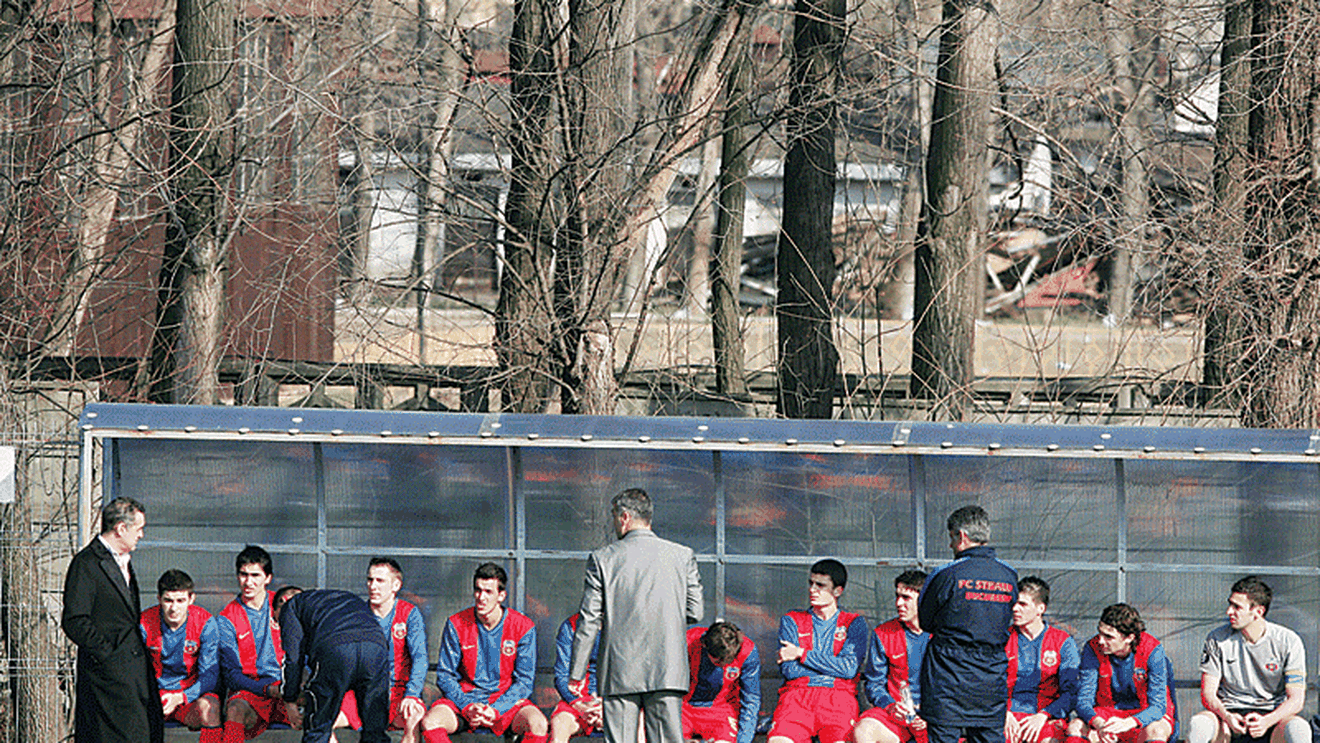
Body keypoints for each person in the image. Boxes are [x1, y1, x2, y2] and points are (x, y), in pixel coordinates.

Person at [570, 488, 704, 743]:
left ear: (624, 518)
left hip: (619, 670)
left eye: (613, 517)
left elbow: (589, 620)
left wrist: (577, 672)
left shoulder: (602, 559)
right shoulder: (682, 555)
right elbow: (695, 611)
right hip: (667, 668)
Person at [61, 496, 165, 743]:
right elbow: (75, 619)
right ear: (121, 528)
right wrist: (108, 655)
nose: (141, 535)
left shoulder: (122, 561)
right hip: (106, 677)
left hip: (132, 673)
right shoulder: (87, 563)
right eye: (138, 528)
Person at [918, 505, 1018, 743]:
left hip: (947, 677)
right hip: (990, 678)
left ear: (961, 536)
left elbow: (925, 621)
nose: (950, 545)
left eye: (952, 538)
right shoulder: (1009, 575)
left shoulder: (945, 574)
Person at [420, 562, 549, 743]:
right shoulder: (456, 623)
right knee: (430, 722)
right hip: (466, 701)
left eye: (488, 592)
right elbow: (445, 676)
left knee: (538, 724)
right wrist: (467, 706)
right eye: (478, 590)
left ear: (501, 595)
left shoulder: (523, 626)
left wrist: (496, 709)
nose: (481, 597)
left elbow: (524, 682)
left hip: (505, 702)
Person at [1186, 577, 1307, 743]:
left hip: (1273, 719)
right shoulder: (1216, 638)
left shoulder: (1289, 641)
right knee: (1199, 724)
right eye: (1230, 604)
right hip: (1227, 718)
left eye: (1237, 607)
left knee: (1299, 729)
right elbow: (1208, 693)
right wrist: (1227, 716)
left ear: (1258, 612)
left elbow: (1296, 700)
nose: (1229, 611)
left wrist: (1266, 721)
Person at [767, 558, 869, 743]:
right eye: (811, 583)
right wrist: (833, 667)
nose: (812, 589)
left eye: (820, 585)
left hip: (838, 698)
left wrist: (801, 653)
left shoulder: (853, 622)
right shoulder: (792, 620)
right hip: (797, 695)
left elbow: (848, 669)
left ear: (838, 591)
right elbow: (790, 670)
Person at [273, 586, 392, 743]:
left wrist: (290, 699)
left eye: (277, 620)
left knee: (318, 727)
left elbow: (293, 659)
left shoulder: (291, 606)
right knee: (375, 730)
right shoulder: (347, 597)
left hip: (336, 649)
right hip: (376, 647)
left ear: (283, 602)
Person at [337, 558, 429, 743]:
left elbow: (420, 658)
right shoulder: (357, 616)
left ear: (396, 585)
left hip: (399, 691)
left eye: (380, 581)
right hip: (364, 692)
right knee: (323, 721)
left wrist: (412, 694)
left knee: (414, 718)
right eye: (370, 580)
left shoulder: (409, 613)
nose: (373, 586)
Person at [216, 545, 301, 742]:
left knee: (322, 708)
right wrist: (267, 689)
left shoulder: (283, 604)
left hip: (288, 686)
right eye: (243, 575)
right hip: (254, 691)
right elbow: (232, 675)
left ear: (268, 578)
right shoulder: (227, 618)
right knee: (235, 709)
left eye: (255, 575)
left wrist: (292, 688)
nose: (248, 582)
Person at [1067, 603, 1176, 743]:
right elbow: (1083, 701)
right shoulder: (1092, 648)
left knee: (1157, 730)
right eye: (1100, 633)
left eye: (1108, 637)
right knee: (1076, 726)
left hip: (1143, 714)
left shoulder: (1152, 649)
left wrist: (1129, 722)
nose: (1100, 640)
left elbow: (1158, 706)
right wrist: (1100, 724)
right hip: (1107, 715)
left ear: (1129, 638)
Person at [139, 569, 222, 741]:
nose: (174, 608)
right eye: (168, 600)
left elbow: (210, 676)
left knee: (211, 708)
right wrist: (152, 696)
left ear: (191, 599)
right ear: (159, 599)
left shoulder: (205, 623)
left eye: (180, 600)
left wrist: (181, 697)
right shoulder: (145, 622)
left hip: (187, 696)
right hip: (154, 697)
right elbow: (134, 671)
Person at [854, 569, 930, 743]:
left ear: (924, 600)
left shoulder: (943, 634)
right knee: (864, 730)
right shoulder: (884, 633)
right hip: (898, 717)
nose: (898, 603)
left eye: (906, 598)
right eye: (897, 596)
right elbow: (874, 683)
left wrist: (933, 713)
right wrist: (891, 706)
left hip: (936, 718)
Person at [1003, 577, 1078, 743]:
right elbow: (989, 684)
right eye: (1014, 603)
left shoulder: (1063, 641)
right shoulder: (1002, 639)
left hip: (1045, 717)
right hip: (1007, 716)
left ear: (1040, 608)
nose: (1015, 609)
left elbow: (1071, 692)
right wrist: (1004, 713)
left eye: (1022, 604)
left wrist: (1044, 715)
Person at [681, 621, 761, 743]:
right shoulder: (688, 640)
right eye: (718, 661)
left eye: (729, 659)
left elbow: (751, 698)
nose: (723, 663)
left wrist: (743, 740)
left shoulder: (747, 651)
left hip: (721, 709)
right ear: (705, 645)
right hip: (684, 707)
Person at [550, 612, 603, 743]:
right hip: (579, 700)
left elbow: (632, 675)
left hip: (617, 701)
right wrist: (580, 705)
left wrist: (605, 707)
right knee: (559, 724)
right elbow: (561, 676)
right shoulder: (571, 626)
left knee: (638, 726)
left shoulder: (625, 624)